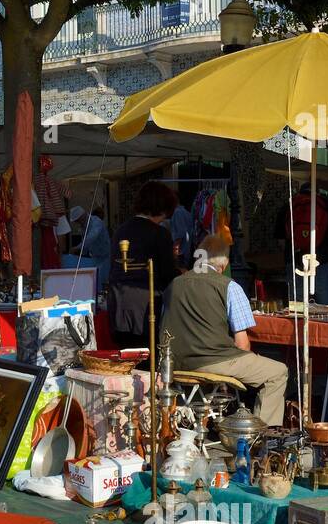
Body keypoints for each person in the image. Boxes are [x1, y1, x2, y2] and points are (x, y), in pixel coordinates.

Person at [161, 235, 288, 426]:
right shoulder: (229, 286)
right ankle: (261, 436)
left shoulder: (174, 284)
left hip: (175, 363)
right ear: (225, 263)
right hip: (214, 360)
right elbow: (242, 343)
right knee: (277, 372)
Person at [108, 180, 181, 349]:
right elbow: (167, 274)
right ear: (162, 208)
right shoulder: (160, 233)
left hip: (119, 307)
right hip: (146, 312)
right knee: (148, 363)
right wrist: (182, 273)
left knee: (126, 361)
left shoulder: (121, 230)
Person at [34, 153, 71, 270]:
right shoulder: (54, 181)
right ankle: (58, 264)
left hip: (43, 217)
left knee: (46, 246)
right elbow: (68, 194)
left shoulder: (35, 181)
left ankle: (51, 265)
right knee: (57, 246)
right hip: (56, 215)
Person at [76, 202, 112, 291]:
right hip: (95, 256)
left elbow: (92, 237)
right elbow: (86, 242)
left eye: (77, 221)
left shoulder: (96, 222)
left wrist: (78, 247)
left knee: (105, 280)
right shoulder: (84, 226)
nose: (78, 223)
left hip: (105, 256)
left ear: (81, 218)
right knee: (97, 281)